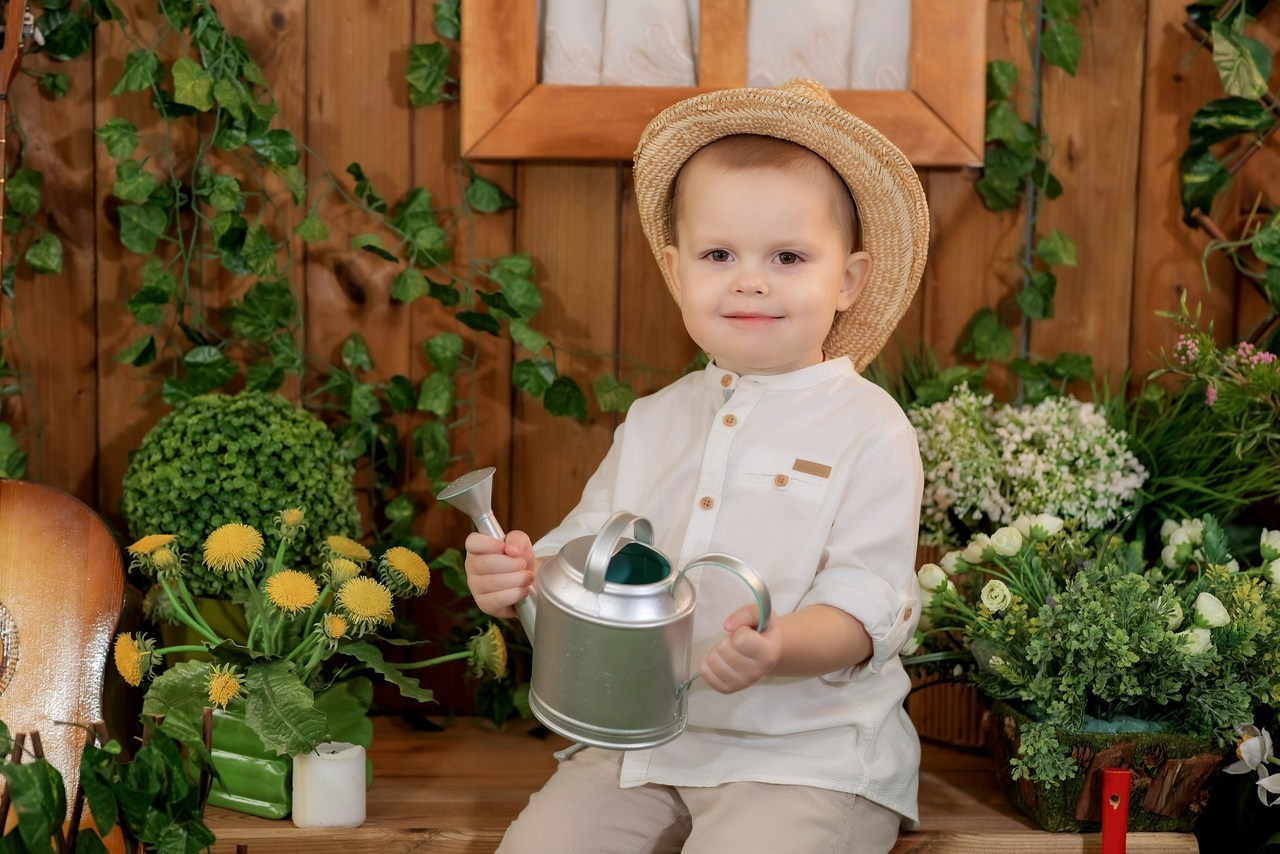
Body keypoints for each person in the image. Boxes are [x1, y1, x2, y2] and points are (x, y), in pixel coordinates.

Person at [464, 77, 929, 854]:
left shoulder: (869, 428)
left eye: (788, 255)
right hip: (644, 741)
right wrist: (520, 579)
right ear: (677, 272)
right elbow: (593, 556)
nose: (750, 279)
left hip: (807, 757)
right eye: (720, 254)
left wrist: (780, 646)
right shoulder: (657, 420)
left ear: (846, 280)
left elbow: (867, 602)